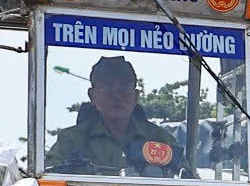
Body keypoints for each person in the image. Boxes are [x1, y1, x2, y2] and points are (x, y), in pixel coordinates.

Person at [46, 54, 182, 176]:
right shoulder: (70, 141)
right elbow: (48, 178)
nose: (117, 96)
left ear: (135, 96)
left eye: (125, 88)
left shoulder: (159, 139)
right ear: (92, 96)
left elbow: (187, 184)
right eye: (107, 87)